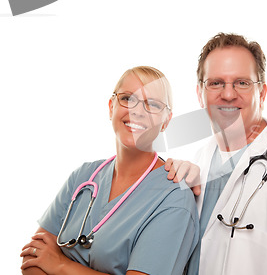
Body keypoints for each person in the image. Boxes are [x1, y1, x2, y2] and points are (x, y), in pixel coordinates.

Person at [20, 66, 199, 275]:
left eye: (152, 104)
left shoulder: (174, 198)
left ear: (166, 121)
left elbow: (47, 261)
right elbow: (33, 259)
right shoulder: (83, 177)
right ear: (111, 106)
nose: (137, 111)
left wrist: (60, 265)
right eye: (127, 98)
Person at [167, 33, 267, 275]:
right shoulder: (199, 161)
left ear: (263, 92)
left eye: (242, 82)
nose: (228, 94)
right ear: (199, 93)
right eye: (216, 83)